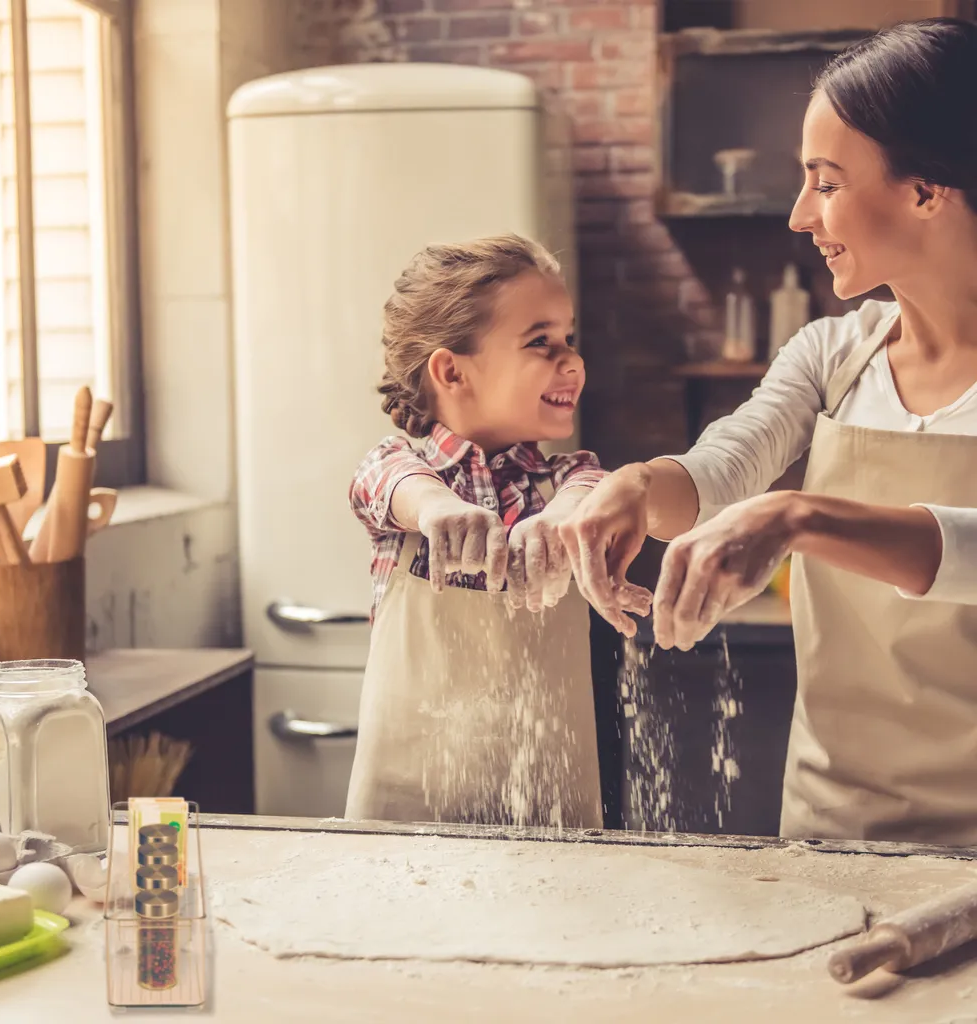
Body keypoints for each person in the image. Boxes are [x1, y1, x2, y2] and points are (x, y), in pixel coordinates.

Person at [560, 18, 977, 846]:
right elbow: (726, 463)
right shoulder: (834, 354)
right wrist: (636, 489)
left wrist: (799, 518)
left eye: (826, 183)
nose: (798, 215)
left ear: (927, 190)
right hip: (835, 813)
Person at [344, 234, 650, 828]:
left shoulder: (571, 479)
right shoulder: (402, 471)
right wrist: (436, 507)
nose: (572, 362)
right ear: (451, 370)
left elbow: (592, 494)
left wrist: (563, 521)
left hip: (547, 809)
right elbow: (386, 482)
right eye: (541, 343)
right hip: (409, 813)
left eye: (570, 339)